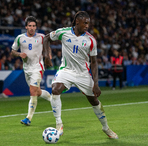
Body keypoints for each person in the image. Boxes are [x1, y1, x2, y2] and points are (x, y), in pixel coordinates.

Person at [43, 11, 118, 139]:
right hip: (66, 70)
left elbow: (94, 62)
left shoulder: (91, 40)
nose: (87, 25)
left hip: (83, 73)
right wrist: (46, 55)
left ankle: (106, 128)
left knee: (94, 101)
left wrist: (96, 84)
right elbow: (46, 38)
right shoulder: (64, 32)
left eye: (88, 23)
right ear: (77, 21)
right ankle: (59, 124)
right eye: (85, 23)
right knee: (55, 89)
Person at [11, 16, 51, 126]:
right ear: (26, 27)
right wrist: (19, 54)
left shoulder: (41, 37)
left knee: (32, 91)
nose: (32, 28)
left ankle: (28, 118)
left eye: (34, 26)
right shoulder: (20, 38)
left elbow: (47, 45)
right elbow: (13, 51)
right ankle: (52, 99)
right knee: (37, 92)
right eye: (30, 26)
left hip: (38, 68)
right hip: (26, 69)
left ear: (36, 27)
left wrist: (48, 55)